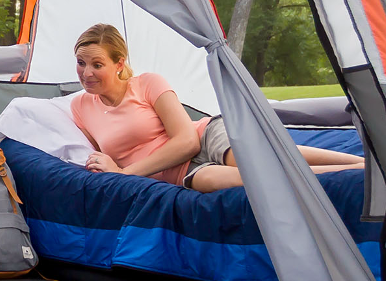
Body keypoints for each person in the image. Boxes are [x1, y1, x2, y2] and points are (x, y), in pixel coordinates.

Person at [68, 23, 361, 192]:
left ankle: (359, 163)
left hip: (205, 136)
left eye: (97, 64)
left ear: (119, 64)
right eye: (81, 63)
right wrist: (112, 168)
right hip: (178, 173)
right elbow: (102, 153)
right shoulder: (80, 106)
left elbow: (187, 140)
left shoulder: (147, 83)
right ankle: (360, 175)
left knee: (257, 158)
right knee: (258, 178)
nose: (86, 73)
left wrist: (125, 173)